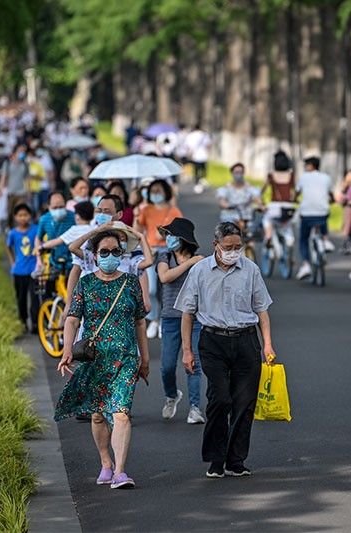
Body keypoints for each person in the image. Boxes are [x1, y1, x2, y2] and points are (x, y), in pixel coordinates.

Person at [175, 222, 276, 478]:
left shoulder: (250, 270)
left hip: (246, 341)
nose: (233, 252)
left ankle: (236, 460)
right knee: (220, 399)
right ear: (215, 246)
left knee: (244, 403)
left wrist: (267, 344)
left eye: (237, 247)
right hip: (213, 342)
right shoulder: (199, 271)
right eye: (228, 247)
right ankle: (215, 458)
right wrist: (187, 350)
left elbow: (262, 309)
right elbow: (187, 314)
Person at [55, 230, 150, 490]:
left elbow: (140, 322)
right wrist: (67, 350)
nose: (110, 256)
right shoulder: (85, 284)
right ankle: (106, 463)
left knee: (121, 414)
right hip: (95, 358)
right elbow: (73, 318)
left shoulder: (131, 282)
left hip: (126, 358)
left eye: (116, 252)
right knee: (98, 416)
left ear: (122, 254)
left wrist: (145, 358)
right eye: (104, 252)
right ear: (95, 256)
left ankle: (120, 471)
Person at [156, 218, 206, 424]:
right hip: (170, 318)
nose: (168, 238)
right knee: (166, 366)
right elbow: (164, 277)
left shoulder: (198, 261)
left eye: (171, 234)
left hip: (194, 318)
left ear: (183, 238)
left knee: (193, 363)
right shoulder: (164, 255)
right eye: (166, 234)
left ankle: (195, 408)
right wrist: (189, 264)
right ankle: (172, 395)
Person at [135, 179, 183, 338]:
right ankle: (154, 319)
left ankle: (164, 319)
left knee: (167, 288)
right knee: (151, 289)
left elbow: (181, 232)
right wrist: (136, 217)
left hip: (168, 252)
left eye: (159, 190)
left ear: (165, 192)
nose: (156, 193)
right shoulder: (146, 210)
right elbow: (137, 231)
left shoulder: (173, 211)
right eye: (153, 190)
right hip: (150, 252)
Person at [295, 156, 335, 280]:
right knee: (323, 216)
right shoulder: (326, 177)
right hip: (322, 213)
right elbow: (331, 194)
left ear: (311, 166)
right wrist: (332, 200)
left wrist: (295, 199)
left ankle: (306, 264)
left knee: (303, 239)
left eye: (306, 165)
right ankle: (325, 240)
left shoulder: (303, 177)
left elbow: (296, 193)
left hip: (306, 214)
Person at [5, 203, 39, 333]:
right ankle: (23, 321)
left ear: (30, 216)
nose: (23, 218)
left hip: (34, 271)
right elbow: (8, 247)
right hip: (19, 271)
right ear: (15, 217)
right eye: (20, 215)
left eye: (25, 215)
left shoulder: (35, 230)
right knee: (21, 298)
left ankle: (36, 323)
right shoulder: (13, 233)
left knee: (35, 298)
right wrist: (12, 262)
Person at [262, 150, 296, 245]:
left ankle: (268, 236)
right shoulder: (291, 175)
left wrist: (263, 203)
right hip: (288, 207)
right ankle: (289, 242)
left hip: (274, 206)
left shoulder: (271, 175)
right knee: (287, 225)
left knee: (266, 219)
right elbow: (294, 191)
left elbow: (262, 191)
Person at [36, 191, 75, 269]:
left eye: (61, 207)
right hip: (53, 263)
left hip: (72, 263)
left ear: (65, 204)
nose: (58, 210)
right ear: (48, 206)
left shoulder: (74, 217)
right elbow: (38, 239)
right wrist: (39, 260)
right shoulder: (44, 219)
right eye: (55, 208)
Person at [0, 144, 30, 223]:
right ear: (15, 152)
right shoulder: (8, 164)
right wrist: (0, 189)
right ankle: (9, 227)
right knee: (10, 212)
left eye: (24, 151)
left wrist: (29, 191)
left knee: (20, 211)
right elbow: (4, 177)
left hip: (21, 192)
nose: (22, 153)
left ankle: (20, 228)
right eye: (20, 151)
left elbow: (27, 179)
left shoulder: (25, 165)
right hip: (10, 192)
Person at [186, 124, 212, 194]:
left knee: (196, 170)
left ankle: (197, 184)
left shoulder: (190, 135)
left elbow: (188, 146)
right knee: (203, 169)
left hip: (195, 156)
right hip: (203, 155)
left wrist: (189, 153)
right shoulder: (204, 135)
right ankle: (202, 181)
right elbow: (208, 145)